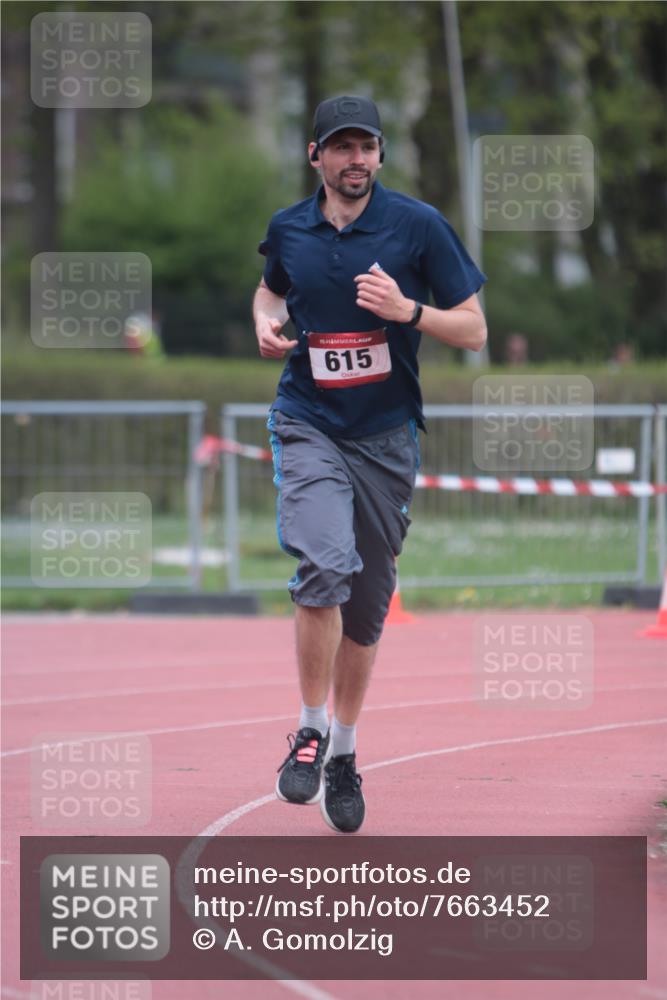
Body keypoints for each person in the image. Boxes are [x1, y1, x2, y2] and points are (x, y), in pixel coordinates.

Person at [253, 95, 487, 833]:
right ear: (315, 156)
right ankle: (310, 729)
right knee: (323, 562)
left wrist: (407, 312)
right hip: (308, 421)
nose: (355, 160)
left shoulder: (416, 225)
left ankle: (345, 755)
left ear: (380, 156)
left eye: (367, 148)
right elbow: (271, 287)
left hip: (384, 437)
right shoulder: (289, 227)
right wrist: (264, 318)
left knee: (366, 603)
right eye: (341, 148)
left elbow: (475, 330)